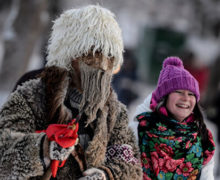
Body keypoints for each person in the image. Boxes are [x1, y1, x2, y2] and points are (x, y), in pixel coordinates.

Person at [0, 5, 142, 180]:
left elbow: (130, 162)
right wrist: (43, 148)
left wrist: (106, 174)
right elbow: (3, 151)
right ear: (72, 55)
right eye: (94, 55)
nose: (103, 65)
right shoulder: (34, 95)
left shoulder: (113, 112)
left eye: (110, 57)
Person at [135, 57, 215, 180]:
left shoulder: (202, 138)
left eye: (191, 94)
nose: (186, 98)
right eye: (179, 91)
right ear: (164, 97)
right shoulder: (140, 130)